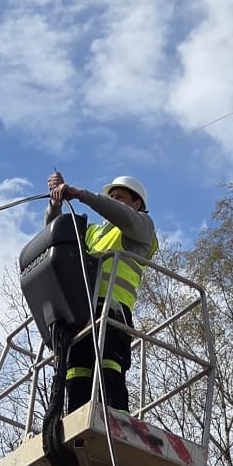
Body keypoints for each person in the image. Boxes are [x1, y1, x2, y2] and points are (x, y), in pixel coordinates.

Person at [46, 171, 158, 414]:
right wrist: (55, 203)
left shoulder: (141, 228)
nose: (114, 200)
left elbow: (121, 216)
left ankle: (116, 419)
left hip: (113, 311)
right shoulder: (93, 233)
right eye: (112, 197)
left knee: (109, 368)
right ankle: (76, 422)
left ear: (136, 203)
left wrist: (82, 195)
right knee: (77, 372)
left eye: (120, 197)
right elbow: (56, 237)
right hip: (82, 313)